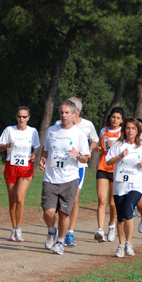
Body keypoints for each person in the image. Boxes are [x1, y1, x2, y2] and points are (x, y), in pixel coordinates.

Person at [39, 100, 91, 255]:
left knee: (64, 213)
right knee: (48, 212)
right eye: (61, 112)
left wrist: (78, 155)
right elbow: (46, 150)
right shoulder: (51, 131)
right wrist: (43, 159)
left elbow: (86, 158)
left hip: (69, 179)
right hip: (51, 178)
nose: (63, 115)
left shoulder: (79, 134)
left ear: (74, 113)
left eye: (67, 112)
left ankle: (60, 242)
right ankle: (51, 230)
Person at [53, 97, 99, 246]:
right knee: (61, 200)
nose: (65, 113)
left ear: (76, 111)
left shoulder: (87, 125)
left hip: (78, 167)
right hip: (60, 168)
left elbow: (95, 140)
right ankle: (61, 228)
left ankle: (70, 232)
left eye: (70, 109)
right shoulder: (57, 125)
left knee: (74, 198)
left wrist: (88, 152)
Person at [105, 119, 142, 257]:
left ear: (137, 131)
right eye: (128, 128)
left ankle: (129, 243)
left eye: (133, 128)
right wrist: (120, 156)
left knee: (128, 210)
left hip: (136, 184)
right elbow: (108, 161)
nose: (130, 130)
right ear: (124, 130)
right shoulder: (118, 145)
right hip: (120, 184)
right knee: (120, 217)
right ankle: (120, 244)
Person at [0, 106, 41, 241]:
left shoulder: (33, 131)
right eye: (19, 116)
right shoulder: (9, 130)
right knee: (12, 201)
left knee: (20, 198)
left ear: (28, 118)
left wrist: (34, 154)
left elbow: (37, 146)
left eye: (24, 117)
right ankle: (13, 228)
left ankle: (19, 228)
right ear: (16, 117)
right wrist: (6, 146)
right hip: (11, 166)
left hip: (26, 167)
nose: (21, 119)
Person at [93, 107, 124, 243]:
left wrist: (115, 146)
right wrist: (98, 149)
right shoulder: (103, 131)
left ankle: (111, 225)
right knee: (101, 200)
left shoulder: (123, 133)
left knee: (112, 203)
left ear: (121, 120)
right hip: (103, 167)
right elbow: (99, 148)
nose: (114, 120)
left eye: (118, 118)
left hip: (116, 169)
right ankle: (100, 229)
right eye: (113, 117)